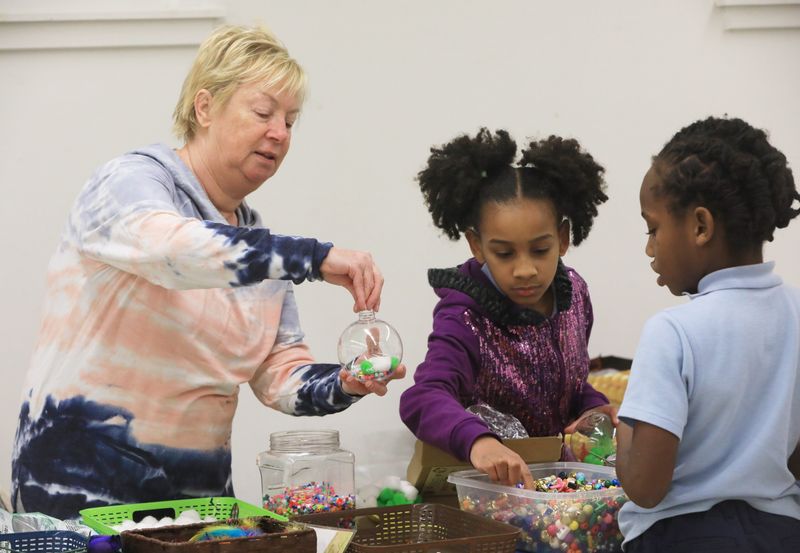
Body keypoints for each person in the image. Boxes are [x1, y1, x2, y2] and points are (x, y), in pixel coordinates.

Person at [11, 24, 405, 520]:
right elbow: (175, 250)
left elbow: (279, 378)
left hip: (196, 507)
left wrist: (347, 382)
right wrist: (314, 257)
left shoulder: (261, 250)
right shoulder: (130, 183)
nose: (279, 133)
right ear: (204, 108)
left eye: (290, 120)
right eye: (263, 113)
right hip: (76, 489)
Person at [616, 116, 800, 552]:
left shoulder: (673, 331)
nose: (649, 248)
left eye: (653, 228)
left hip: (681, 537)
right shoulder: (796, 312)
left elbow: (645, 487)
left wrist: (625, 429)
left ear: (700, 226)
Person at [399, 128, 617, 488]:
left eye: (540, 249)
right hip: (485, 493)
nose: (525, 269)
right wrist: (479, 442)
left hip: (553, 490)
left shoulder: (574, 295)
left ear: (562, 238)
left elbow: (569, 385)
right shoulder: (463, 316)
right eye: (504, 253)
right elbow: (423, 397)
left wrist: (592, 408)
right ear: (477, 246)